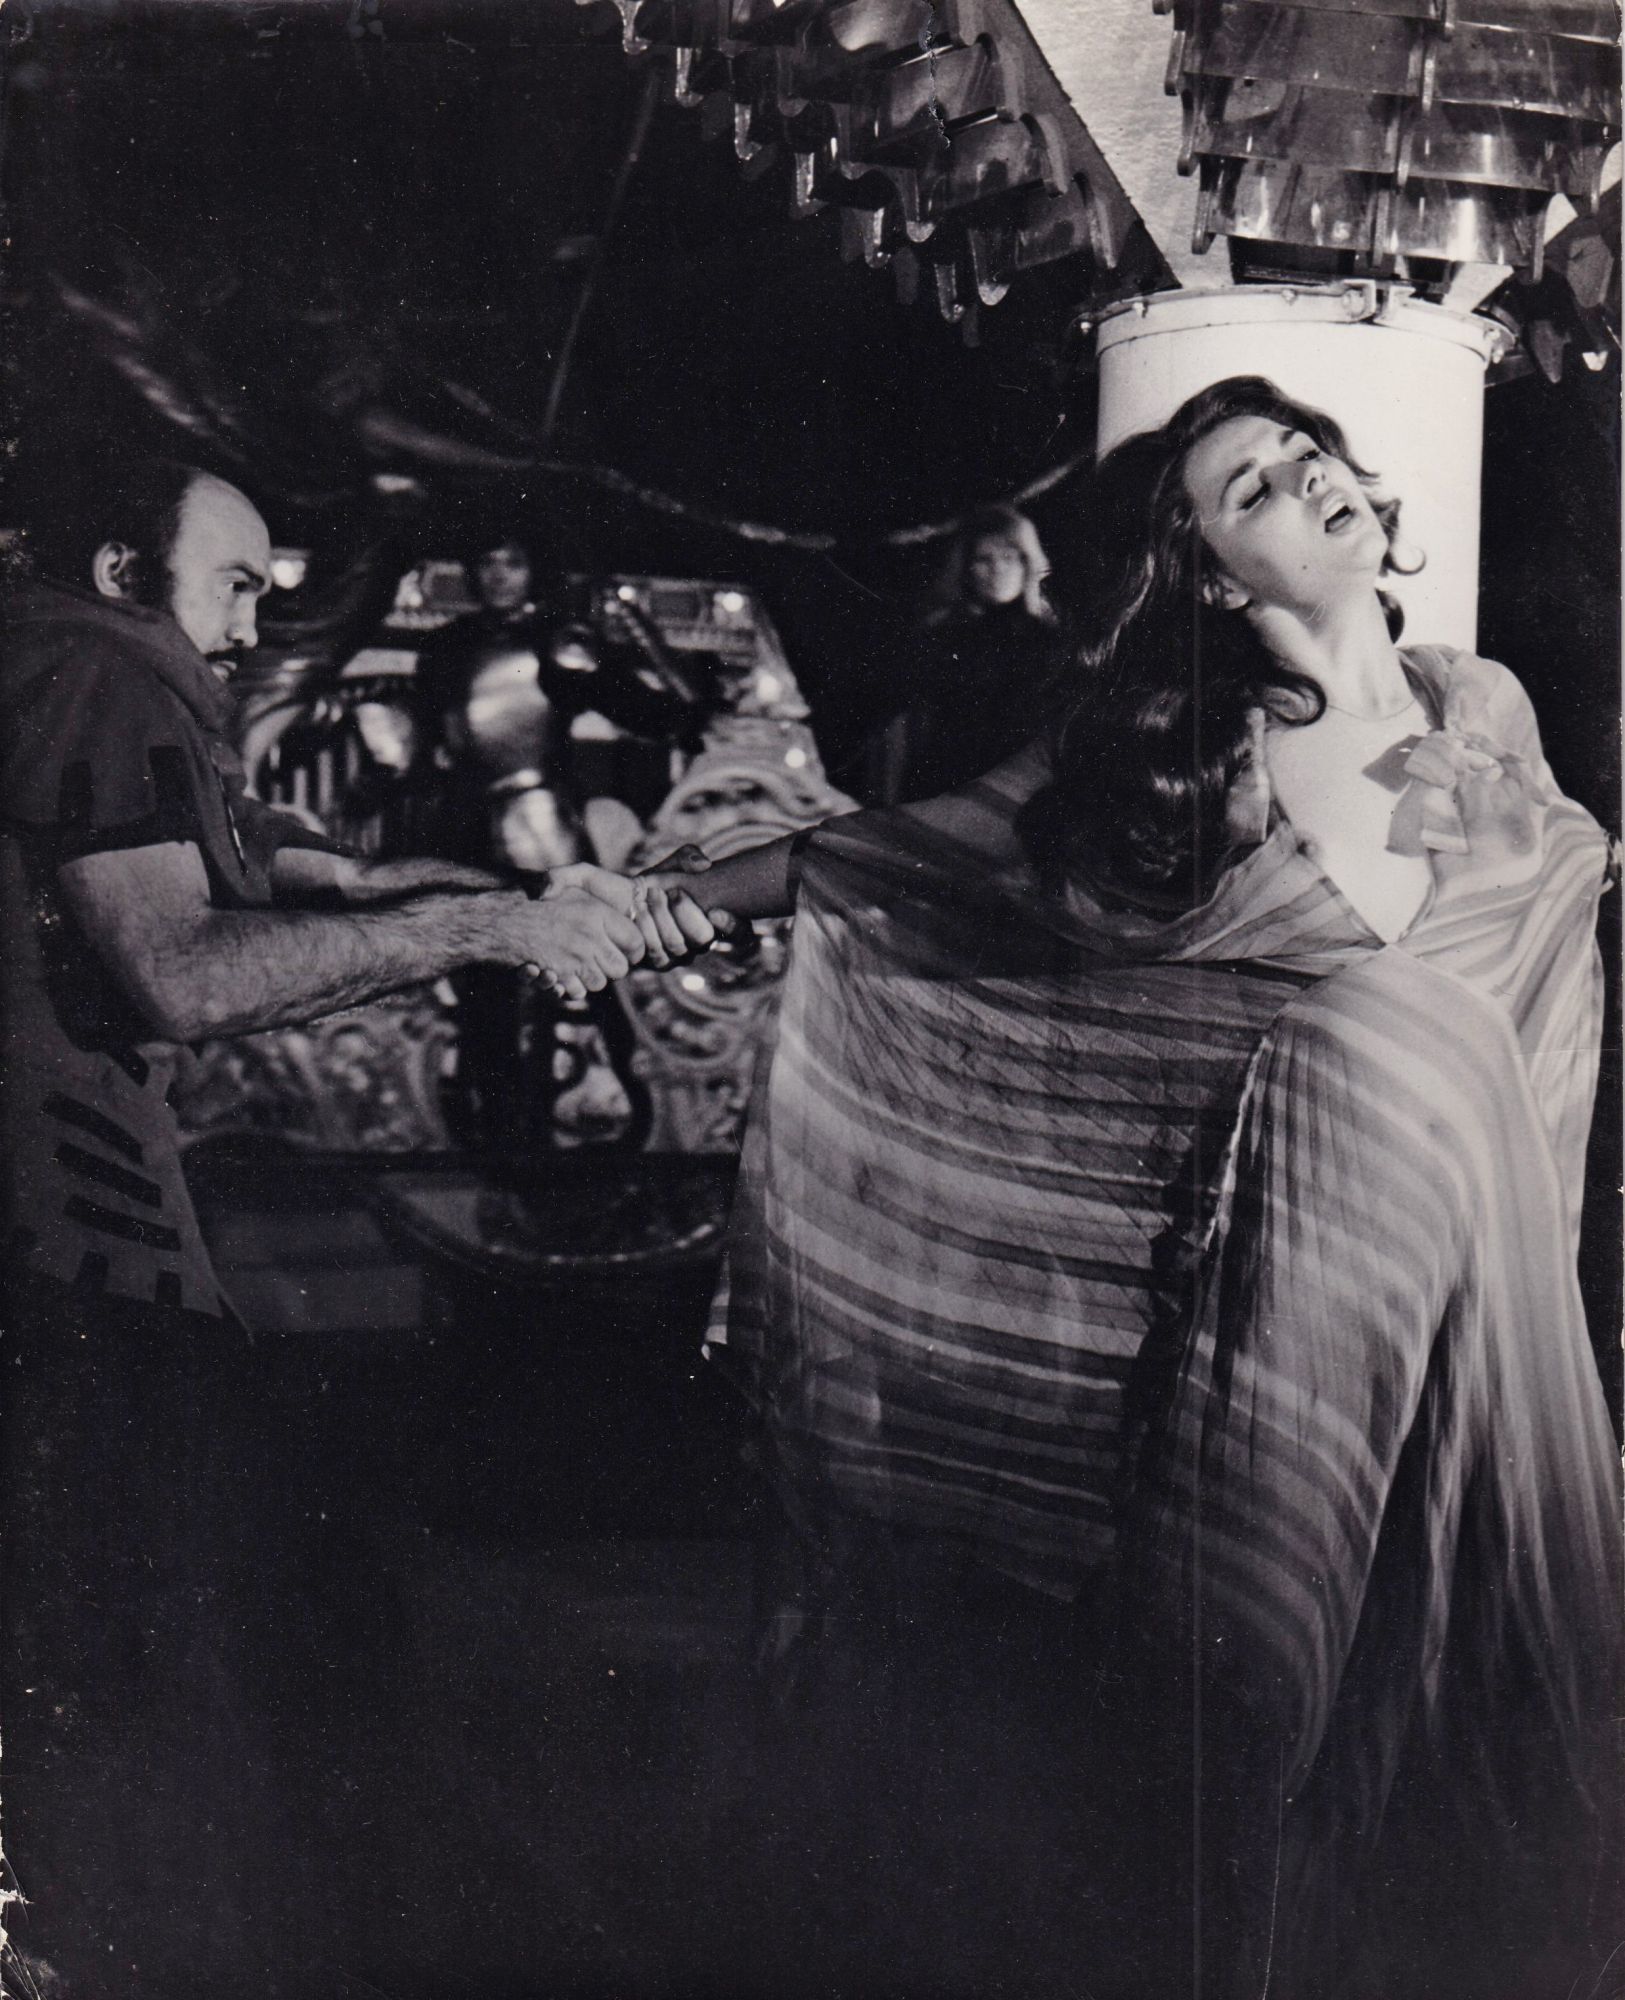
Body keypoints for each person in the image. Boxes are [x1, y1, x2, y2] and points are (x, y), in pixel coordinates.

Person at [637, 379, 1623, 1997]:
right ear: (1211, 580)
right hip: (1299, 1337)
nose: (1307, 478)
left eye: (1306, 453)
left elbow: (1544, 1010)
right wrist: (694, 893)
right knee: (1247, 1742)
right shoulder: (1202, 759)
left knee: (1463, 1760)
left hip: (1482, 1323)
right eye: (1253, 487)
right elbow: (920, 861)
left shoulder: (1484, 711)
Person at [0, 460, 714, 1991]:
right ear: (122, 570)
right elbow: (182, 975)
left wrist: (553, 907)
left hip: (85, 1265)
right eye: (235, 585)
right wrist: (496, 926)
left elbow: (341, 876)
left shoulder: (114, 684)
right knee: (212, 1702)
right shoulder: (87, 666)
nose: (255, 626)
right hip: (63, 1269)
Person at [408, 529, 713, 1147]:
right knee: (483, 994)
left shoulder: (558, 640)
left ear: (532, 570)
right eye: (487, 561)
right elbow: (427, 744)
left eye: (513, 562)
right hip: (466, 829)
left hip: (545, 830)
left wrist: (678, 691)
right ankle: (498, 1139)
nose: (498, 575)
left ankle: (633, 1129)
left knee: (592, 979)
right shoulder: (445, 646)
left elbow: (646, 713)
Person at [869, 503, 1065, 802]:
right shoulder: (942, 635)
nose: (997, 570)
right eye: (984, 559)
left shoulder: (1050, 640)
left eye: (1008, 557)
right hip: (947, 780)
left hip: (1022, 785)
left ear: (1027, 563)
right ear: (965, 568)